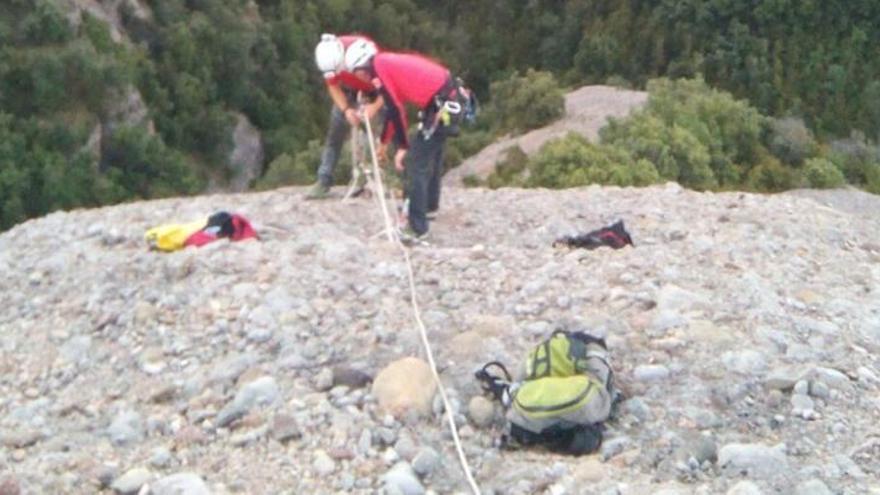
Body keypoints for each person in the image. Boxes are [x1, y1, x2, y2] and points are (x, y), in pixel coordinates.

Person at [344, 42, 472, 241]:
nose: (361, 78)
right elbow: (393, 106)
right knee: (431, 153)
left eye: (359, 73)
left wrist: (402, 146)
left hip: (441, 104)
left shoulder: (379, 70)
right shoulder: (383, 64)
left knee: (416, 163)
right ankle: (428, 205)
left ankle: (418, 227)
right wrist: (385, 142)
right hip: (445, 97)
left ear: (364, 65)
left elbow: (396, 110)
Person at [307, 33, 383, 199]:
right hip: (348, 90)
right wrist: (346, 110)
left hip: (375, 91)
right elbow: (333, 86)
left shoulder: (366, 53)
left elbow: (388, 88)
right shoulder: (329, 58)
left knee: (374, 137)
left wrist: (374, 107)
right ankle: (323, 180)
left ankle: (371, 179)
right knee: (334, 136)